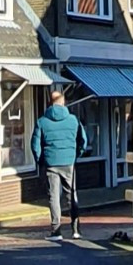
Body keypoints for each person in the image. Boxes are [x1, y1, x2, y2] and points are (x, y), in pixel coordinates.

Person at [30, 90, 83, 238]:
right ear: (63, 102)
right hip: (69, 162)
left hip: (51, 163)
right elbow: (83, 140)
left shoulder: (41, 121)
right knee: (71, 195)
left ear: (50, 102)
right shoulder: (73, 120)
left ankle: (56, 230)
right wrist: (76, 154)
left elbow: (35, 145)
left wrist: (41, 160)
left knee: (53, 197)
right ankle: (76, 230)